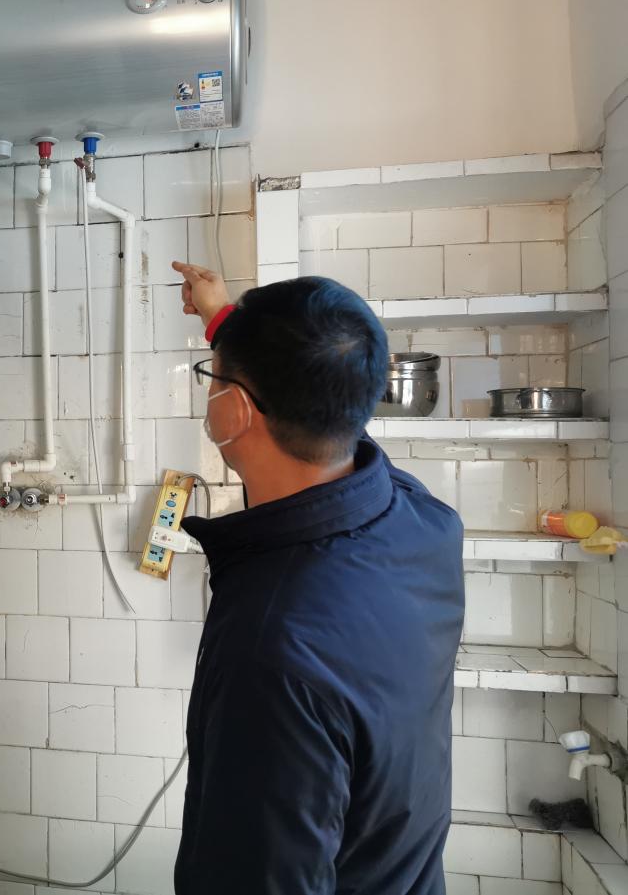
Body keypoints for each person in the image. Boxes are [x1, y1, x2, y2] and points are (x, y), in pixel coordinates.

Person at [170, 262, 464, 894]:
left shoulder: (272, 650)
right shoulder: (421, 519)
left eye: (212, 379)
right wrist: (223, 324)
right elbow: (319, 391)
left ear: (234, 411)